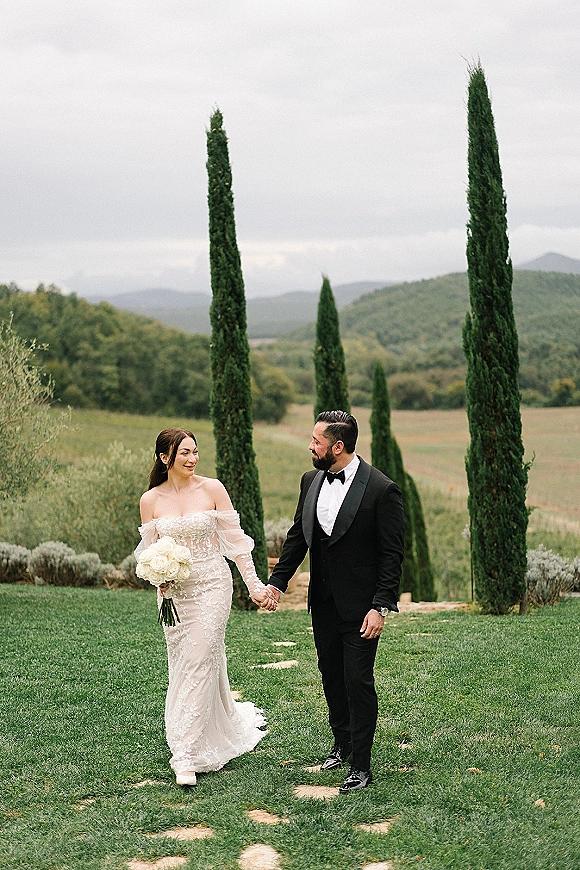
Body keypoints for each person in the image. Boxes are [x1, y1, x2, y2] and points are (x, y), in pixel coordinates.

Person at [267, 410, 404, 793]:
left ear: (338, 446)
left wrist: (380, 607)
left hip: (362, 609)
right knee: (330, 673)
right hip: (323, 602)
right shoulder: (310, 480)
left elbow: (392, 555)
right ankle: (342, 745)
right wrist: (278, 583)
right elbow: (298, 535)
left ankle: (361, 765)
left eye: (316, 441)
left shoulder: (381, 489)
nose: (310, 446)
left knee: (357, 680)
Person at [136, 427, 277, 787]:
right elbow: (147, 553)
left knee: (200, 658)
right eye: (184, 452)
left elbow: (237, 545)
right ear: (164, 457)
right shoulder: (149, 500)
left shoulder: (212, 489)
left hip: (213, 585)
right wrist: (159, 577)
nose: (192, 458)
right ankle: (212, 727)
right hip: (174, 594)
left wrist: (255, 587)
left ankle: (185, 754)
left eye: (195, 452)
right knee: (186, 662)